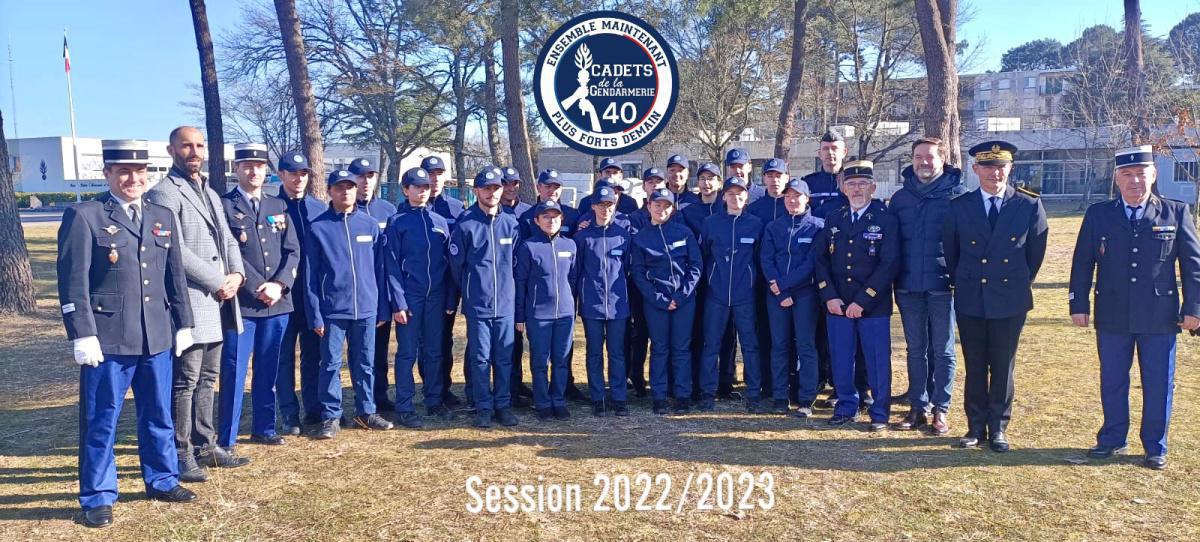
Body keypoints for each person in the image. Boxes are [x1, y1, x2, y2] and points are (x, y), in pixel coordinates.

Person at [58, 139, 199, 528]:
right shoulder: (84, 215)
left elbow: (175, 278)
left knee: (158, 415)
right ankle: (98, 495)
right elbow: (73, 283)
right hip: (108, 340)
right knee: (102, 418)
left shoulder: (162, 215)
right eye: (123, 172)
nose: (132, 179)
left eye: (139, 172)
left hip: (156, 336)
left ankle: (162, 479)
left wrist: (184, 323)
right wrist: (81, 333)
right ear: (107, 174)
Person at [1069, 145, 1200, 470]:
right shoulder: (1099, 214)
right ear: (1116, 179)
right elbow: (1083, 262)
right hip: (1112, 312)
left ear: (1153, 176)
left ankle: (1155, 445)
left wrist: (1194, 307)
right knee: (1113, 379)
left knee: (1158, 381)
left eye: (1141, 174)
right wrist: (1078, 302)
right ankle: (1112, 437)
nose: (1134, 181)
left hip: (1160, 315)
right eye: (1127, 175)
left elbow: (1193, 266)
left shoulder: (1176, 212)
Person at [146, 126, 249, 479]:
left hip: (221, 301)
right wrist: (217, 280)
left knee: (208, 377)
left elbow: (229, 240)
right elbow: (175, 249)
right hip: (192, 300)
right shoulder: (163, 193)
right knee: (185, 381)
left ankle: (207, 445)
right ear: (171, 150)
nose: (194, 151)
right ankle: (181, 452)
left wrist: (236, 275)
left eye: (199, 145)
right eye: (186, 145)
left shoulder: (209, 191)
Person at [943, 140, 1048, 452]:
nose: (994, 173)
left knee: (1003, 365)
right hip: (972, 295)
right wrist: (967, 281)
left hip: (1009, 298)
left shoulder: (1029, 205)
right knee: (975, 364)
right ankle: (975, 426)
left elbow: (1035, 255)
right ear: (976, 169)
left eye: (1001, 166)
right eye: (987, 166)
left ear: (1010, 168)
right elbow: (952, 254)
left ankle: (999, 427)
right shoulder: (960, 207)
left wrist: (1014, 284)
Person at [217, 143, 299, 449]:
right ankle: (226, 438)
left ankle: (264, 428)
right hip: (243, 304)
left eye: (259, 166)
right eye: (247, 166)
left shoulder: (278, 206)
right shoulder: (224, 206)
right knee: (235, 370)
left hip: (277, 303)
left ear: (267, 170)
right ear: (236, 169)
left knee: (270, 367)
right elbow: (228, 254)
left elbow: (293, 250)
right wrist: (256, 287)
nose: (254, 171)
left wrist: (278, 284)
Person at [303, 169, 395, 439]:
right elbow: (310, 275)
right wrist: (315, 314)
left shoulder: (368, 225)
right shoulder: (318, 227)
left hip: (366, 307)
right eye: (340, 188)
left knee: (365, 361)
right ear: (330, 191)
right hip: (333, 309)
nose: (346, 192)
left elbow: (380, 269)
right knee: (330, 363)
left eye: (350, 187)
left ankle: (365, 411)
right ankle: (331, 415)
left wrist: (382, 307)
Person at [888, 137, 967, 434]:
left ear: (941, 160)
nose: (923, 162)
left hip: (943, 285)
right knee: (915, 349)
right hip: (908, 286)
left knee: (943, 350)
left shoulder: (958, 195)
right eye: (918, 157)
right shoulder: (900, 199)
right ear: (912, 159)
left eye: (930, 157)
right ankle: (917, 407)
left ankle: (940, 409)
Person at [814, 160, 899, 431]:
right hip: (838, 303)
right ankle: (846, 406)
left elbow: (889, 264)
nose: (857, 189)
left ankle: (880, 411)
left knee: (876, 360)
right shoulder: (834, 218)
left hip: (872, 304)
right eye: (851, 184)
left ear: (873, 187)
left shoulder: (886, 219)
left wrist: (862, 301)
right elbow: (820, 261)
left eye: (863, 183)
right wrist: (830, 296)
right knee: (841, 358)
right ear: (842, 187)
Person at [384, 167, 458, 428]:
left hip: (436, 297)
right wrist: (398, 302)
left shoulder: (439, 222)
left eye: (425, 186)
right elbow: (391, 265)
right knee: (406, 354)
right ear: (406, 190)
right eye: (416, 187)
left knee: (434, 352)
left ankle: (434, 400)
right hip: (410, 298)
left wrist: (450, 299)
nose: (421, 191)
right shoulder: (397, 222)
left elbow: (450, 265)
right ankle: (405, 406)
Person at [450, 166, 522, 428]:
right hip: (478, 305)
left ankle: (502, 405)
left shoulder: (511, 223)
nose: (492, 193)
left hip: (505, 304)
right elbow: (457, 267)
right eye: (487, 188)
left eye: (496, 188)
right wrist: (472, 290)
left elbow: (516, 263)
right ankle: (482, 407)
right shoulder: (466, 224)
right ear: (476, 191)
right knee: (480, 358)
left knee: (504, 357)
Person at [630, 188, 702, 415]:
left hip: (684, 300)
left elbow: (696, 266)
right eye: (657, 205)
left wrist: (681, 295)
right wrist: (659, 299)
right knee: (659, 348)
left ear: (673, 208)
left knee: (681, 348)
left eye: (666, 206)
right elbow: (638, 274)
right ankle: (659, 396)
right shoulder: (641, 238)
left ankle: (682, 395)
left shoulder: (684, 232)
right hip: (656, 303)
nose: (662, 209)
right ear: (649, 206)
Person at [697, 176, 765, 412]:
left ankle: (754, 393)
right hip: (716, 295)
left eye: (740, 193)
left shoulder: (756, 224)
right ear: (723, 196)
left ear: (746, 196)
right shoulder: (710, 223)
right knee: (711, 344)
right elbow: (703, 255)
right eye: (731, 193)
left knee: (750, 345)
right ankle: (707, 392)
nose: (736, 197)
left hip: (745, 295)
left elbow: (759, 258)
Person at [760, 178, 824, 418]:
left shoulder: (817, 227)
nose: (792, 200)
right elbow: (766, 259)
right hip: (777, 296)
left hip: (805, 295)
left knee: (806, 346)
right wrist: (780, 291)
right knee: (779, 346)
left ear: (807, 199)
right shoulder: (773, 227)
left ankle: (806, 399)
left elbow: (811, 263)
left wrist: (785, 285)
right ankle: (780, 396)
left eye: (797, 196)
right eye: (788, 196)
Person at [274, 151, 327, 435]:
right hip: (282, 294)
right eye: (293, 173)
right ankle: (288, 413)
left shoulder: (318, 208)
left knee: (313, 354)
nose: (299, 178)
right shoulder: (271, 207)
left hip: (312, 295)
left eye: (304, 173)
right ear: (281, 174)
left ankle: (313, 409)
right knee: (283, 357)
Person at [515, 201, 579, 420]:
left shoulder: (570, 245)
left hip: (565, 314)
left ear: (562, 219)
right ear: (537, 221)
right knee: (540, 360)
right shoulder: (528, 247)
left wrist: (571, 306)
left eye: (555, 217)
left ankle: (558, 400)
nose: (551, 221)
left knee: (561, 359)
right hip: (538, 314)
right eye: (546, 217)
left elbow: (572, 278)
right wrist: (520, 315)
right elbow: (520, 283)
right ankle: (542, 402)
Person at [574, 185, 633, 417]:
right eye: (601, 205)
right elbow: (576, 272)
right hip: (592, 305)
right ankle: (598, 398)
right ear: (593, 207)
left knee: (617, 352)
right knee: (594, 352)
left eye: (609, 205)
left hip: (618, 305)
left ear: (615, 206)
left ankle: (619, 397)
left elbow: (628, 268)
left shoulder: (623, 236)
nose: (605, 209)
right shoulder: (583, 237)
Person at [349, 157, 399, 414]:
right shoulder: (341, 210)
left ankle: (379, 394)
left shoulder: (389, 211)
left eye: (370, 176)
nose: (365, 181)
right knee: (353, 353)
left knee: (378, 350)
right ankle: (358, 398)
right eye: (360, 176)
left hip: (379, 295)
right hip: (349, 297)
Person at [424, 155, 468, 408]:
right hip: (421, 289)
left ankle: (444, 387)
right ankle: (431, 389)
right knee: (425, 343)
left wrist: (455, 293)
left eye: (439, 173)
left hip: (447, 287)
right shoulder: (409, 207)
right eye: (430, 173)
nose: (434, 178)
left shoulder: (455, 208)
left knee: (445, 340)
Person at [747, 158, 789, 406]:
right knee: (762, 334)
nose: (774, 180)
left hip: (789, 285)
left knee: (786, 338)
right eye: (770, 175)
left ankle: (786, 384)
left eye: (778, 175)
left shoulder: (792, 205)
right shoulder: (755, 209)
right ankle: (765, 382)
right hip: (760, 282)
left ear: (786, 177)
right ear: (763, 179)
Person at [803, 131, 848, 218]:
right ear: (820, 154)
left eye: (834, 148)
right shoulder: (808, 183)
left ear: (844, 152)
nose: (830, 152)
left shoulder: (852, 182)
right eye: (826, 148)